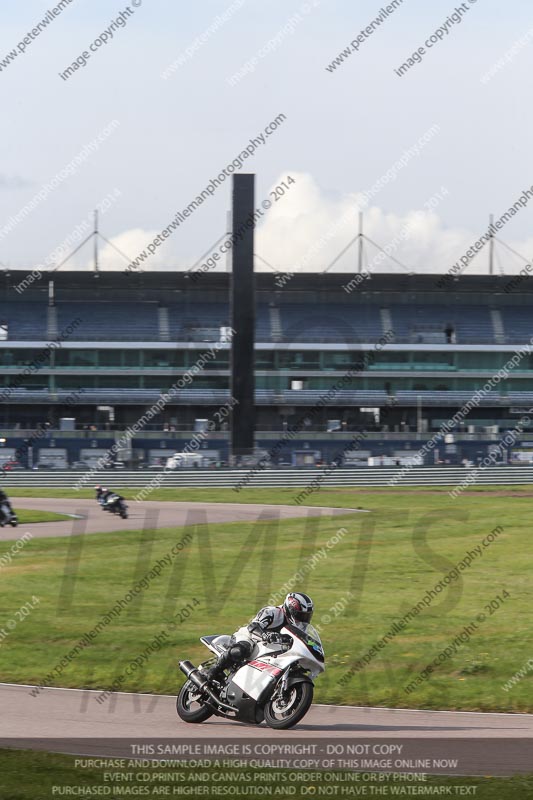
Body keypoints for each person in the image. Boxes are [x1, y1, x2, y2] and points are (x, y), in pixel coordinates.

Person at [206, 592, 314, 682]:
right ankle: (214, 670)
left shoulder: (300, 628)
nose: (303, 619)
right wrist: (264, 634)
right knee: (242, 649)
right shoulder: (272, 612)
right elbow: (254, 626)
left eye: (306, 616)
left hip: (269, 650)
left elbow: (303, 642)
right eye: (300, 615)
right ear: (291, 610)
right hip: (250, 638)